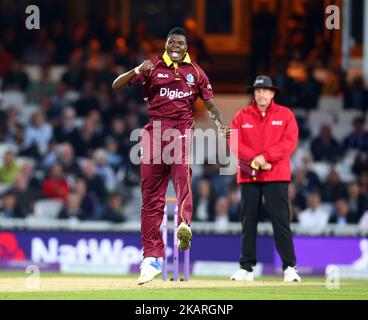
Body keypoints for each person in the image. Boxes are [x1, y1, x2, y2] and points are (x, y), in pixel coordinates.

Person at [112, 27, 230, 285]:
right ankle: (151, 259)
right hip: (154, 133)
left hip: (181, 132)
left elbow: (210, 104)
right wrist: (136, 70)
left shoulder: (196, 72)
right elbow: (116, 84)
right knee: (150, 198)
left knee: (182, 175)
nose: (176, 46)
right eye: (171, 42)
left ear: (187, 48)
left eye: (180, 43)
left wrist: (220, 125)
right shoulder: (152, 66)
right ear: (165, 44)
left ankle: (183, 225)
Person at [229, 75, 301, 282]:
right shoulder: (241, 116)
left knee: (280, 221)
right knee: (248, 221)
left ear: (272, 94)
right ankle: (246, 267)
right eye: (258, 91)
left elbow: (289, 142)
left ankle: (289, 267)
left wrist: (265, 158)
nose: (261, 94)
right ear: (254, 93)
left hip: (276, 174)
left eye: (265, 91)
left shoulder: (285, 114)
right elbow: (234, 143)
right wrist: (256, 160)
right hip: (249, 174)